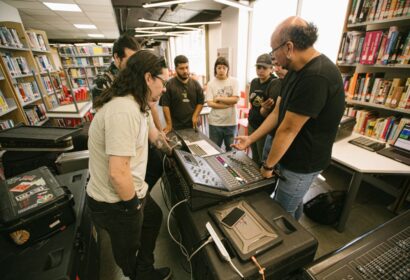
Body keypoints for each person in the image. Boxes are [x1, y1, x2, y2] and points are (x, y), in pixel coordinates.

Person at [233, 16, 345, 220]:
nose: (273, 58)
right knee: (293, 204)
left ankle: (293, 247)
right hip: (289, 154)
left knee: (281, 212)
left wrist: (267, 166)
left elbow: (288, 129)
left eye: (273, 50)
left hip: (303, 162)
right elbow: (278, 112)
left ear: (289, 47)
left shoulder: (317, 77)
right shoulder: (295, 70)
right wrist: (250, 138)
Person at [86, 50, 172, 280]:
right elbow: (118, 172)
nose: (164, 89)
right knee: (127, 252)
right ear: (147, 78)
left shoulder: (137, 103)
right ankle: (137, 275)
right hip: (115, 202)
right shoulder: (123, 111)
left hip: (129, 193)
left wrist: (171, 150)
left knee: (153, 219)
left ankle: (144, 271)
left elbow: (153, 134)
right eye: (163, 82)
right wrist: (134, 208)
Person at [92, 34, 163, 191]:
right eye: (130, 59)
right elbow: (113, 123)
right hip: (121, 141)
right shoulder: (106, 85)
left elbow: (148, 109)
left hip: (138, 135)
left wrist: (159, 132)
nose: (134, 64)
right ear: (117, 58)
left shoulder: (137, 81)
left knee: (158, 162)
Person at [160, 55, 204, 133]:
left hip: (192, 126)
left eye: (187, 67)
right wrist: (169, 124)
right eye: (181, 68)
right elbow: (165, 106)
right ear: (176, 69)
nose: (185, 71)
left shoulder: (196, 84)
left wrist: (195, 115)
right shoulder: (169, 85)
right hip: (176, 127)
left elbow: (200, 102)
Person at [248, 53, 277, 165]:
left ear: (271, 69)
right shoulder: (254, 82)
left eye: (264, 68)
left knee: (263, 159)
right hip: (252, 123)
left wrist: (264, 109)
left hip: (264, 128)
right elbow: (252, 103)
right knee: (254, 156)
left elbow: (272, 112)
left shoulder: (274, 83)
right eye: (258, 67)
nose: (260, 70)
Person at [206, 56, 239, 151]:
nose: (221, 70)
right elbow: (210, 103)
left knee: (231, 151)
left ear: (228, 69)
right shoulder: (211, 83)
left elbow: (235, 100)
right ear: (215, 69)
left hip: (231, 122)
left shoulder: (234, 81)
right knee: (214, 150)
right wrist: (228, 104)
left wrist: (219, 98)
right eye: (219, 67)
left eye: (224, 68)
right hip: (215, 123)